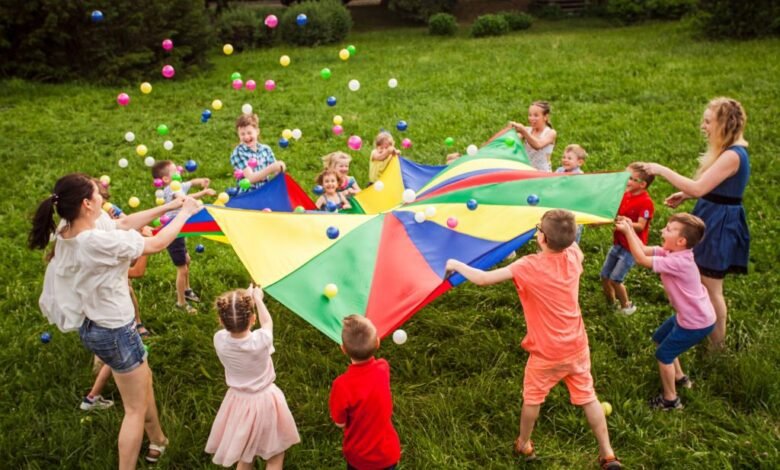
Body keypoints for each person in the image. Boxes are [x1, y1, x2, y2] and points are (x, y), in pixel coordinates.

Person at [31, 173, 202, 469]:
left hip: (94, 326)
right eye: (98, 195)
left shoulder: (68, 227)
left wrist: (169, 206)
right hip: (116, 331)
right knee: (134, 408)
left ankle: (158, 440)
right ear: (86, 203)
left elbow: (123, 223)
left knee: (142, 381)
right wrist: (184, 213)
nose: (103, 198)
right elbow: (157, 243)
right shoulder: (95, 242)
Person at [446, 210, 622, 469]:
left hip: (546, 352)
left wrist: (455, 264)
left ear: (542, 238)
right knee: (588, 397)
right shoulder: (574, 256)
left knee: (533, 398)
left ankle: (524, 443)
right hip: (576, 345)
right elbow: (572, 245)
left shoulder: (528, 265)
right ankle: (608, 453)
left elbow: (483, 279)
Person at [639, 97, 749, 349]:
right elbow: (711, 185)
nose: (703, 126)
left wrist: (661, 169)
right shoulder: (729, 151)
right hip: (712, 215)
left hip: (720, 225)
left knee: (711, 287)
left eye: (709, 122)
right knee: (701, 280)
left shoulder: (734, 155)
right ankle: (699, 325)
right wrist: (686, 194)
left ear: (724, 124)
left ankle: (716, 347)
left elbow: (699, 187)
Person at [616, 213, 715, 410]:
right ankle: (680, 377)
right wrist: (629, 227)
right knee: (661, 339)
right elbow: (643, 249)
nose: (662, 231)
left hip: (695, 322)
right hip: (690, 316)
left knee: (663, 356)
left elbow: (641, 259)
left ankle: (670, 400)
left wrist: (628, 232)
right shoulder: (672, 252)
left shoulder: (680, 263)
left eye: (668, 229)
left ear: (681, 241)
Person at [205, 285, 300, 469]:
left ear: (221, 321)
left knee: (245, 453)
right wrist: (258, 299)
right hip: (266, 402)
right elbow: (268, 324)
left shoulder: (219, 340)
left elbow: (234, 327)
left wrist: (243, 301)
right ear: (253, 318)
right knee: (275, 454)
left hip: (238, 402)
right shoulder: (261, 341)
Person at [329, 315, 401, 470]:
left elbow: (339, 422)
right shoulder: (383, 367)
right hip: (388, 454)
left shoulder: (341, 385)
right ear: (377, 343)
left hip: (359, 457)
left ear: (343, 349)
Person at [151, 160, 216, 314]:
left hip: (180, 230)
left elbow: (189, 184)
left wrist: (201, 185)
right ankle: (181, 302)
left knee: (187, 260)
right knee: (182, 268)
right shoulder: (170, 190)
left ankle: (187, 289)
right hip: (173, 233)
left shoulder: (177, 184)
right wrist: (199, 205)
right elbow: (183, 198)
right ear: (166, 179)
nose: (179, 172)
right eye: (175, 171)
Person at [600, 163, 655, 315]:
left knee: (615, 279)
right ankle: (611, 304)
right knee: (605, 276)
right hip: (618, 243)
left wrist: (627, 223)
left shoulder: (646, 202)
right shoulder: (625, 195)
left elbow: (641, 226)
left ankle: (626, 307)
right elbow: (614, 214)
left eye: (631, 179)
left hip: (631, 248)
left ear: (642, 184)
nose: (626, 181)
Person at [230, 113, 286, 193]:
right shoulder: (238, 153)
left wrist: (280, 168)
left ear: (257, 131)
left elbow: (276, 172)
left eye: (249, 133)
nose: (246, 137)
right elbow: (250, 179)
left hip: (265, 193)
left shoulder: (266, 150)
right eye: (242, 134)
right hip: (247, 196)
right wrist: (271, 168)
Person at [510, 101, 557, 171]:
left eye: (536, 115)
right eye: (530, 115)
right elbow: (512, 140)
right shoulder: (527, 130)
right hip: (527, 171)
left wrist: (523, 131)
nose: (532, 118)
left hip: (543, 174)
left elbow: (538, 145)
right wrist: (510, 130)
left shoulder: (550, 133)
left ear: (545, 117)